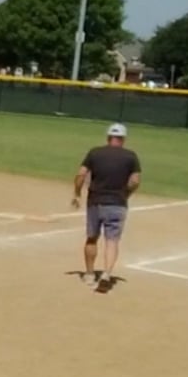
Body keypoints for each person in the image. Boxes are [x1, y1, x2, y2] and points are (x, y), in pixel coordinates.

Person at [71, 123, 142, 288]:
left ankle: (89, 275)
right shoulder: (131, 156)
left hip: (95, 202)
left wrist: (77, 193)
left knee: (92, 238)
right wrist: (126, 194)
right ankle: (107, 273)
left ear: (108, 137)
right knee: (112, 240)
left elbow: (81, 175)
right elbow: (135, 181)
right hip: (117, 203)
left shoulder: (95, 153)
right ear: (123, 139)